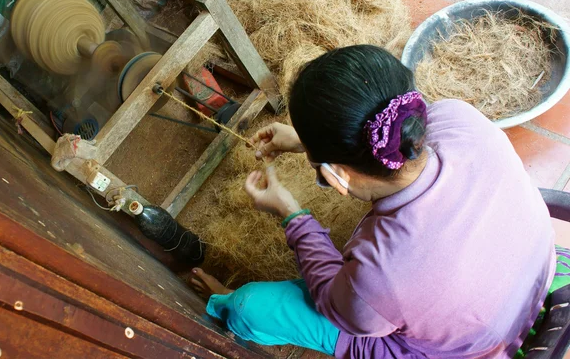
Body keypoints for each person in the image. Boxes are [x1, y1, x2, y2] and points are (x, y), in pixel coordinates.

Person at [190, 44, 564, 358]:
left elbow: (334, 303)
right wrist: (310, 145)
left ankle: (225, 306)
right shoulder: (459, 116)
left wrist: (292, 214)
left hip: (479, 348)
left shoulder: (379, 277)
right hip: (538, 270)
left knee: (251, 308)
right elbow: (393, 139)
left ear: (338, 176)